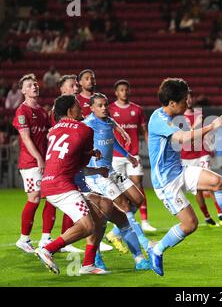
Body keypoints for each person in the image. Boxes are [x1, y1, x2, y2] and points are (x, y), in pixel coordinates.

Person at [147, 78, 222, 276]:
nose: (187, 103)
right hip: (165, 182)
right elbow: (183, 138)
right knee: (190, 224)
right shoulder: (158, 119)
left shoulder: (171, 117)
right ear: (172, 103)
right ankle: (157, 250)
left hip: (179, 170)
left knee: (218, 181)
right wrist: (211, 126)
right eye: (183, 100)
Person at [35, 95, 108, 274]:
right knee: (88, 225)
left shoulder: (52, 130)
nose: (81, 108)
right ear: (70, 111)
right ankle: (48, 249)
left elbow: (67, 154)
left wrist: (88, 153)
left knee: (100, 212)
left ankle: (88, 264)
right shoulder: (85, 129)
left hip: (49, 182)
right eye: (77, 106)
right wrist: (91, 154)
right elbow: (80, 164)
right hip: (62, 185)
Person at [83, 93, 151, 260]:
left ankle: (114, 233)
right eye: (99, 105)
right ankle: (143, 245)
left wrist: (128, 156)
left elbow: (113, 140)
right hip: (97, 176)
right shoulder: (88, 124)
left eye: (105, 105)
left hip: (111, 170)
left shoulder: (108, 121)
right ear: (91, 108)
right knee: (124, 207)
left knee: (138, 198)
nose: (104, 108)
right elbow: (78, 146)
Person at [108, 80, 157, 241]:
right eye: (121, 89)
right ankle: (120, 221)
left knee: (137, 185)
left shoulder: (137, 109)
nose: (124, 92)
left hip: (133, 155)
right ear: (116, 92)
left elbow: (144, 131)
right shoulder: (110, 109)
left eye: (126, 89)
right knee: (118, 189)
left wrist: (151, 148)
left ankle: (144, 220)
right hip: (116, 156)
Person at [12, 74, 56, 253]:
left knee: (52, 198)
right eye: (30, 85)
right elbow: (26, 138)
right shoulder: (22, 112)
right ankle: (24, 239)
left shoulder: (42, 111)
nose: (34, 87)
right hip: (30, 162)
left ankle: (46, 238)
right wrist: (39, 158)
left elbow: (46, 135)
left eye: (35, 84)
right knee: (35, 198)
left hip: (44, 161)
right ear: (23, 90)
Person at [180, 92, 222, 227]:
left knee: (211, 182)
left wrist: (209, 146)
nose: (188, 100)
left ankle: (220, 213)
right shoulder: (178, 117)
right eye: (186, 97)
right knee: (197, 189)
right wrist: (196, 125)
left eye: (190, 97)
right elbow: (185, 137)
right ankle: (206, 216)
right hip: (187, 156)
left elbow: (205, 132)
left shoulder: (198, 113)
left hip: (201, 153)